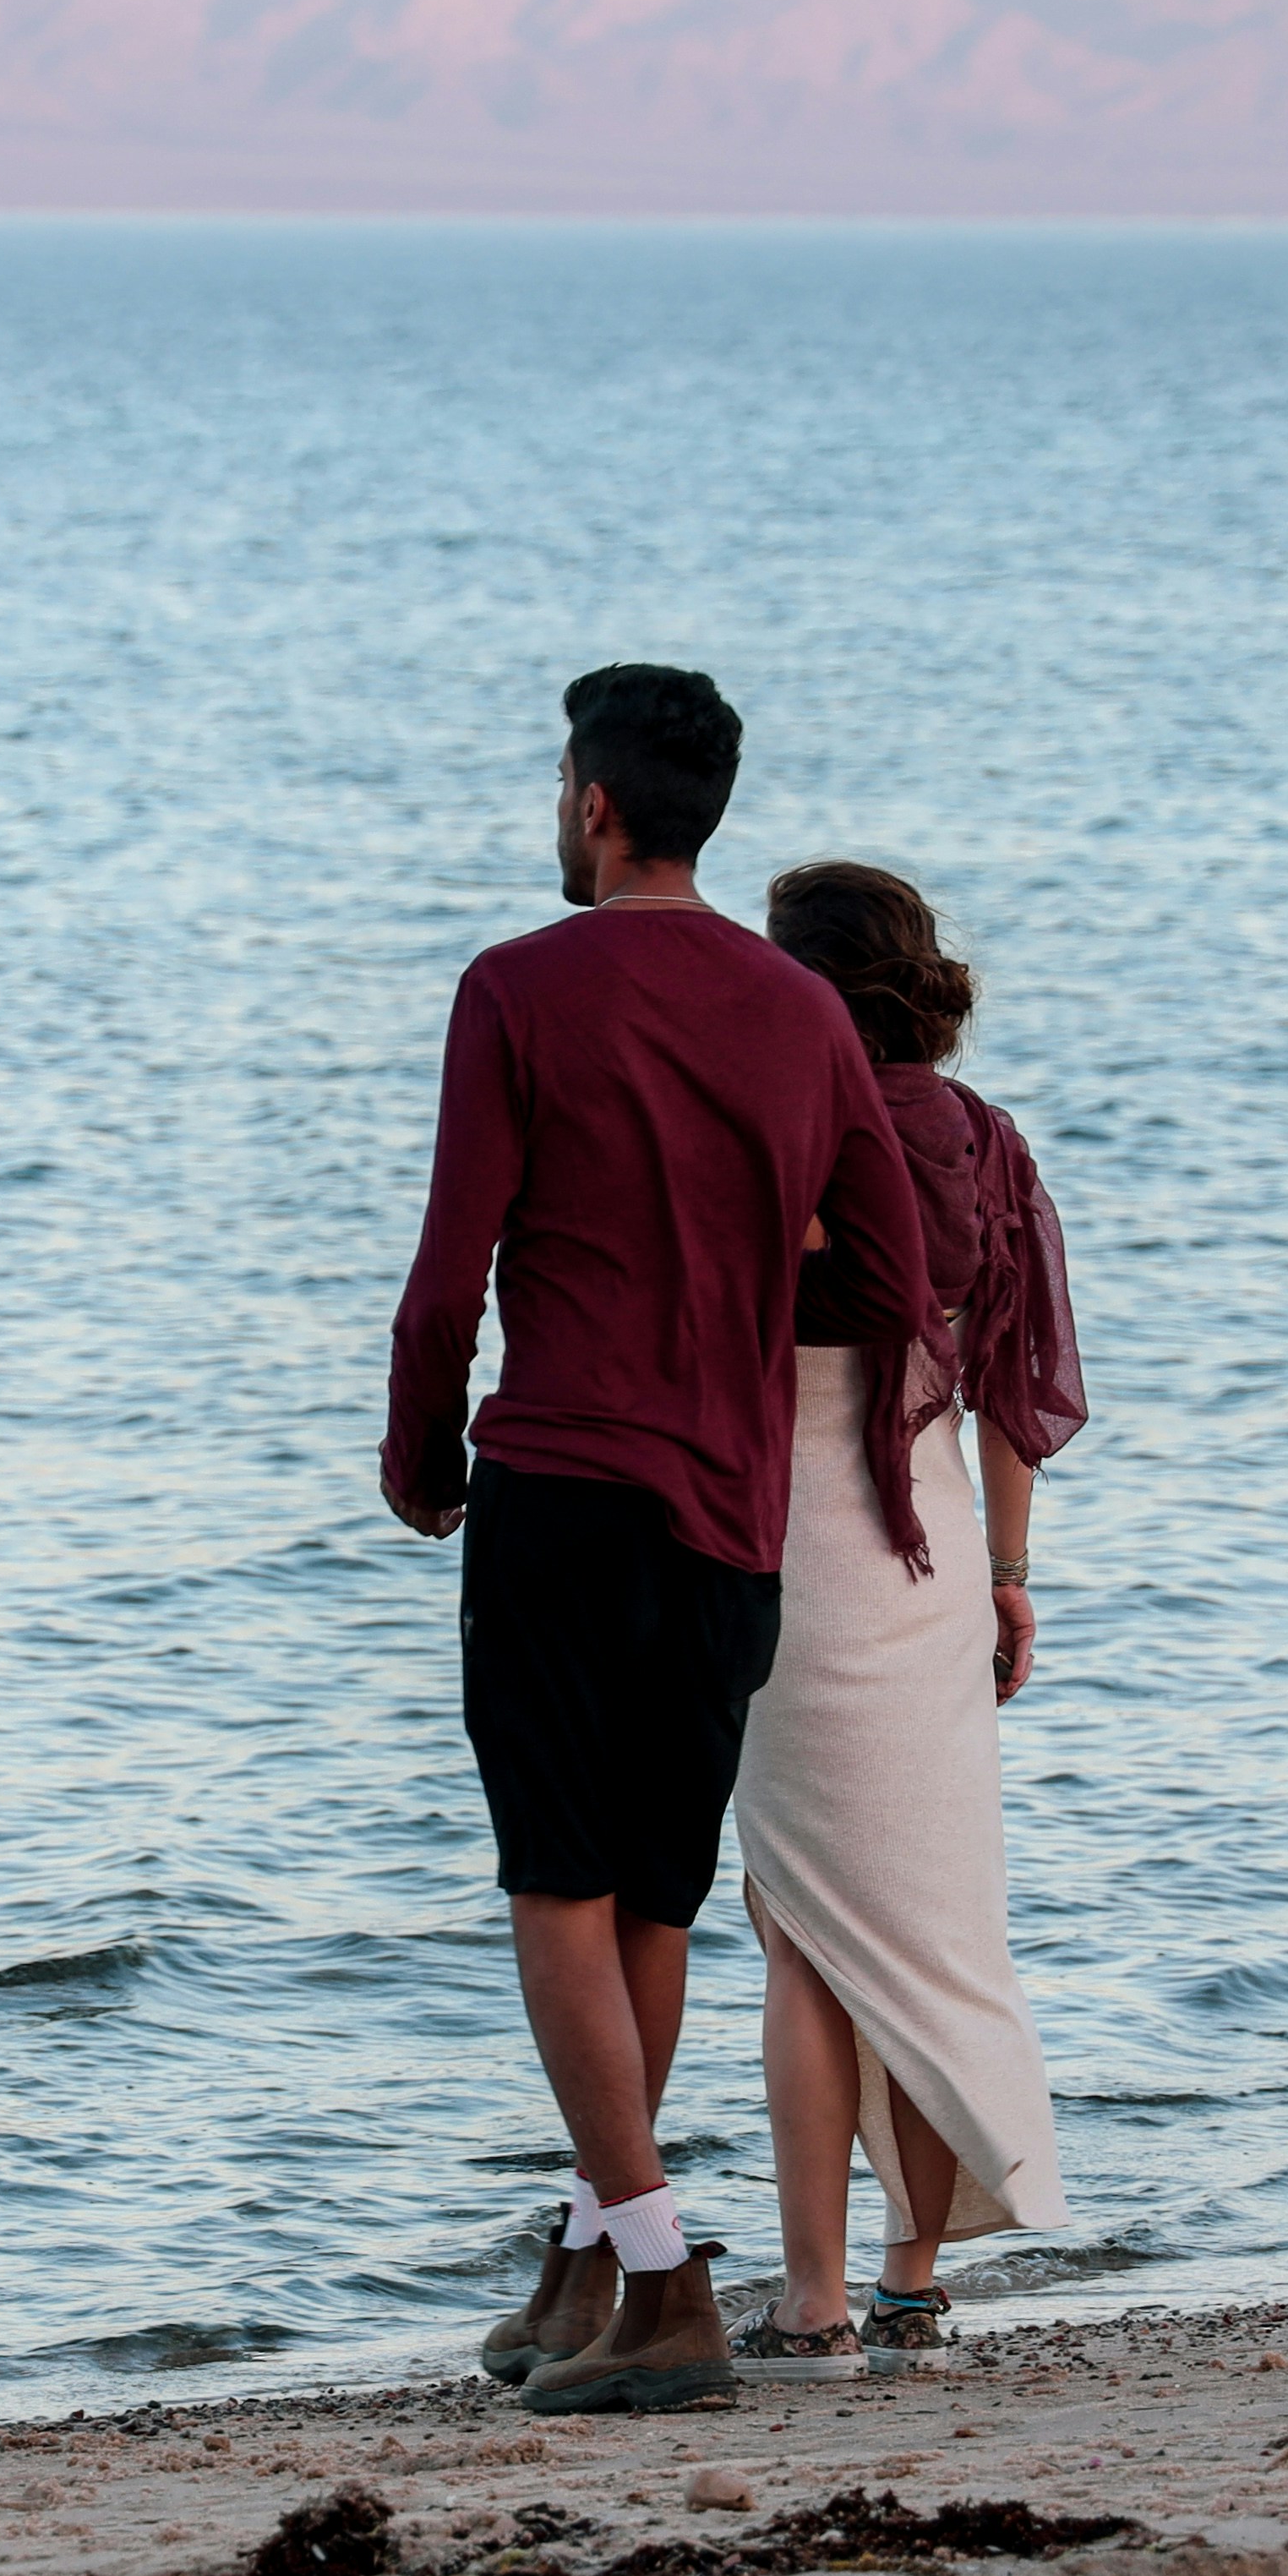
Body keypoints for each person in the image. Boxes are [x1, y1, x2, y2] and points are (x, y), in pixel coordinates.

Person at [382, 667, 936, 2417]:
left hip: (564, 1485)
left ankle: (663, 2277)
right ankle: (589, 2265)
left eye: (562, 783)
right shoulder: (801, 1013)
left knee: (555, 1876)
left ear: (598, 804)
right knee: (656, 1894)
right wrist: (744, 1300)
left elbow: (450, 1264)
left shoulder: (518, 987)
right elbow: (896, 1269)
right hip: (727, 1510)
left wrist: (417, 1451)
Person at [723, 860, 1089, 2380]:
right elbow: (1008, 1390)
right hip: (924, 1538)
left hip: (778, 1539)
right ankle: (911, 2282)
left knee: (805, 1936)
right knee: (931, 1923)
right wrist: (1010, 1574)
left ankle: (808, 2298)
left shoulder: (760, 1137)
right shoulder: (982, 1145)